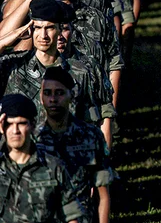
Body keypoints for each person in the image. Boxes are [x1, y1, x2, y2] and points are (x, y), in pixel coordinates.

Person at [36, 67, 116, 223]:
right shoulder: (31, 139)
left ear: (71, 95)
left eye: (59, 93)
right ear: (41, 97)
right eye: (47, 93)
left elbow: (103, 195)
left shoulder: (91, 135)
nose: (53, 99)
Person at [0, 93, 84, 223]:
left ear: (32, 125)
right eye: (9, 124)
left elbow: (71, 216)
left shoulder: (53, 167)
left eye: (21, 123)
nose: (15, 130)